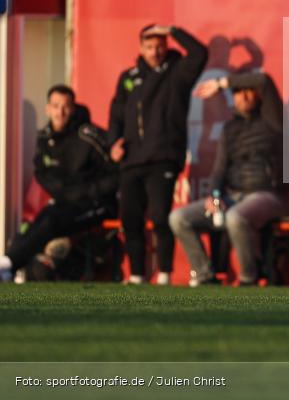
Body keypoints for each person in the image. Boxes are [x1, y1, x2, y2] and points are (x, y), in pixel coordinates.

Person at [109, 24, 208, 284]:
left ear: (167, 45)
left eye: (160, 46)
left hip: (163, 157)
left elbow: (200, 53)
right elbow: (116, 114)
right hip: (131, 159)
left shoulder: (178, 71)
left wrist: (173, 30)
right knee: (130, 219)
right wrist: (113, 144)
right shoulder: (128, 77)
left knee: (160, 216)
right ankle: (138, 275)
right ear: (141, 47)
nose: (155, 52)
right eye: (150, 47)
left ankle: (164, 274)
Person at [169, 70, 285, 286]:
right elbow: (219, 170)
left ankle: (248, 278)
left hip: (266, 195)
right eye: (238, 93)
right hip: (233, 196)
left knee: (235, 217)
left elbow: (264, 79)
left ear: (258, 95)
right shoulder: (229, 129)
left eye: (248, 91)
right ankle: (204, 275)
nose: (244, 97)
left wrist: (222, 83)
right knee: (179, 218)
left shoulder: (272, 120)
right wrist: (214, 196)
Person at [0, 85, 117, 282]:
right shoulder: (45, 138)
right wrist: (64, 193)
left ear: (72, 108)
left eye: (65, 107)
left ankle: (9, 265)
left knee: (51, 221)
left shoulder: (89, 136)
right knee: (38, 223)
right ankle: (12, 266)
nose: (60, 112)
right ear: (48, 108)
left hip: (96, 204)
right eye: (55, 106)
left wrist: (89, 192)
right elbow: (42, 173)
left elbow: (116, 174)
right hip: (65, 204)